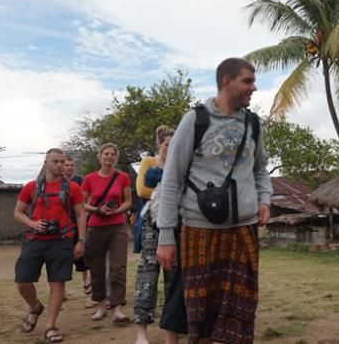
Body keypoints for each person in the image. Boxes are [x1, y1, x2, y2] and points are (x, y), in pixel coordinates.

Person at [156, 57, 272, 343]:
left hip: (243, 231)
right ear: (226, 82)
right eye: (247, 81)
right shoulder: (196, 120)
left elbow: (260, 169)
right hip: (199, 232)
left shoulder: (253, 124)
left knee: (241, 309)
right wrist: (166, 236)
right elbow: (171, 179)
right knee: (201, 313)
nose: (253, 88)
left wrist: (264, 199)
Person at [13, 148, 86, 343]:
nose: (60, 165)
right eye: (56, 161)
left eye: (63, 162)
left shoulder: (72, 188)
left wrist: (81, 241)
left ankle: (51, 326)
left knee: (57, 282)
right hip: (35, 239)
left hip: (61, 240)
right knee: (22, 280)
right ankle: (35, 307)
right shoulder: (31, 187)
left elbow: (81, 214)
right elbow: (18, 213)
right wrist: (33, 223)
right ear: (45, 163)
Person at [134, 126, 180, 344]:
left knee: (174, 280)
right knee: (147, 277)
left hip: (178, 227)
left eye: (174, 144)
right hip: (152, 227)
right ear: (160, 145)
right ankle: (141, 331)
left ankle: (173, 327)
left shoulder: (183, 166)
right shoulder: (150, 164)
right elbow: (142, 190)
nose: (170, 148)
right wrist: (169, 189)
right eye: (167, 145)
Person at [81, 143, 132, 324]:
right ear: (100, 156)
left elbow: (128, 202)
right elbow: (82, 203)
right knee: (97, 267)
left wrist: (117, 211)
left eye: (112, 154)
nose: (109, 157)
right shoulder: (89, 178)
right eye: (106, 154)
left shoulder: (122, 177)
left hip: (117, 226)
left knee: (118, 268)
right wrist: (97, 210)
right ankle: (101, 304)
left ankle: (118, 307)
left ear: (115, 158)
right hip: (96, 226)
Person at [63, 155, 90, 295]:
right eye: (66, 165)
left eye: (71, 165)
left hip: (78, 221)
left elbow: (87, 199)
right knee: (62, 257)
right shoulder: (58, 182)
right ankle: (62, 289)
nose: (69, 167)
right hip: (63, 224)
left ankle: (86, 279)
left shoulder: (80, 181)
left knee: (81, 253)